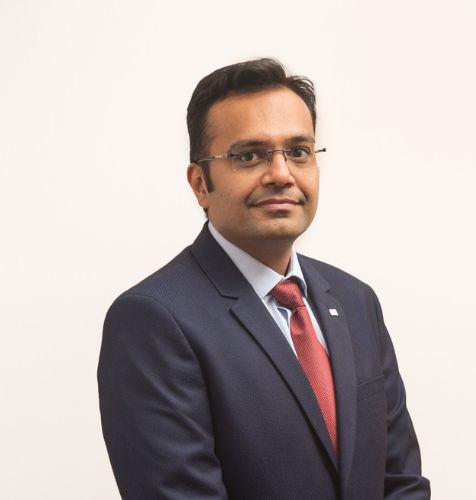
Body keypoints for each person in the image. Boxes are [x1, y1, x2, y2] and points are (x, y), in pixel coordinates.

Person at [98, 58, 431, 500]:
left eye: (298, 151)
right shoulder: (153, 320)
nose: (281, 174)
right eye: (249, 156)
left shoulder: (355, 301)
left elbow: (402, 483)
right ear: (200, 184)